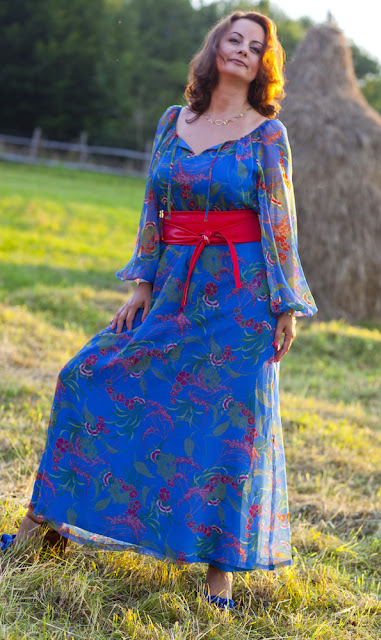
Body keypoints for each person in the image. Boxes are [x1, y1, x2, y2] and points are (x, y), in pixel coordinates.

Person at [1, 10, 317, 609]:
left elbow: (280, 224)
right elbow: (154, 205)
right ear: (215, 48)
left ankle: (219, 577)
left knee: (229, 426)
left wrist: (286, 306)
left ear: (264, 65)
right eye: (234, 39)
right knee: (85, 376)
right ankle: (44, 529)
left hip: (240, 298)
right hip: (172, 286)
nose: (242, 50)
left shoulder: (268, 134)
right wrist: (142, 282)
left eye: (255, 46)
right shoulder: (175, 121)